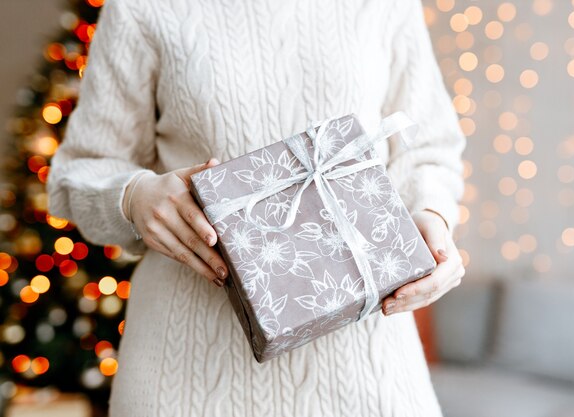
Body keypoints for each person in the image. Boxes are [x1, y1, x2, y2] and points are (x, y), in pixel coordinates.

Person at [46, 0, 466, 415]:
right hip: (186, 372)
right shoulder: (141, 8)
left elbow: (428, 148)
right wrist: (133, 196)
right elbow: (77, 173)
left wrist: (432, 215)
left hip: (367, 371)